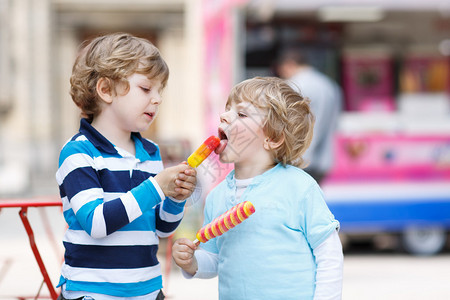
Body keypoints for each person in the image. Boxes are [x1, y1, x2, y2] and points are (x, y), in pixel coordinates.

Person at [172, 77, 343, 299]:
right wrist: (191, 262)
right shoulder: (217, 196)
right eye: (227, 109)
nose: (224, 116)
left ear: (273, 138)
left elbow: (328, 254)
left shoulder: (299, 187)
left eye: (241, 114)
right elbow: (214, 259)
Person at [56, 32, 197, 300]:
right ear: (106, 90)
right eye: (146, 88)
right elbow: (96, 223)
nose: (157, 99)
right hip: (93, 291)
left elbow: (160, 228)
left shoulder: (150, 152)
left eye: (160, 91)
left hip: (147, 289)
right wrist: (157, 187)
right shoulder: (78, 151)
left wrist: (176, 199)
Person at [277, 48, 343, 184]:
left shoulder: (294, 86)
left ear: (289, 64)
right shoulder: (330, 85)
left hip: (297, 158)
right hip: (324, 158)